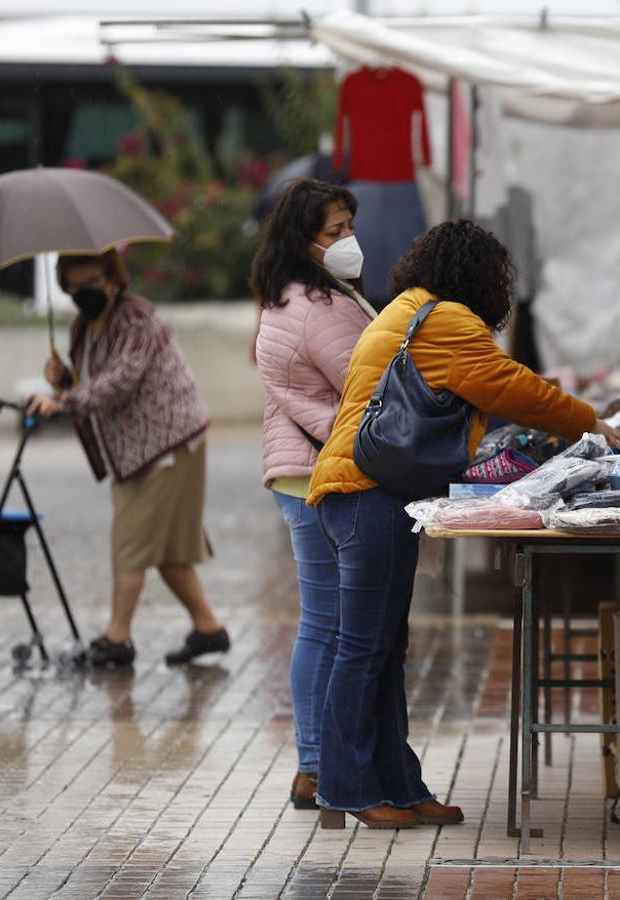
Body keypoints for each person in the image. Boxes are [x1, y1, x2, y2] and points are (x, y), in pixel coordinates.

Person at [306, 220, 620, 829]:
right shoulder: (446, 320)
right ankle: (345, 789)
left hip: (360, 490)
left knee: (383, 648)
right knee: (364, 649)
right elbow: (512, 387)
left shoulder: (411, 308)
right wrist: (589, 419)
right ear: (478, 278)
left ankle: (398, 786)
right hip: (364, 492)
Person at [28, 249, 229, 668]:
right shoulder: (83, 327)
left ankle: (117, 638)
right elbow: (94, 382)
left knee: (132, 539)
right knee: (168, 549)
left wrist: (62, 400)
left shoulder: (136, 318)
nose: (84, 293)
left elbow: (122, 380)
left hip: (166, 443)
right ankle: (208, 629)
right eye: (75, 286)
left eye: (93, 283)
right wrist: (64, 378)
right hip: (138, 447)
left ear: (113, 279)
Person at [251, 180, 376, 811]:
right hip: (315, 475)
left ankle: (318, 761)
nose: (349, 240)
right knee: (328, 625)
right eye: (335, 231)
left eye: (350, 225)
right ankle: (314, 763)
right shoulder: (316, 305)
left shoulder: (290, 294)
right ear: (304, 240)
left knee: (324, 625)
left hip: (300, 470)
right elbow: (368, 384)